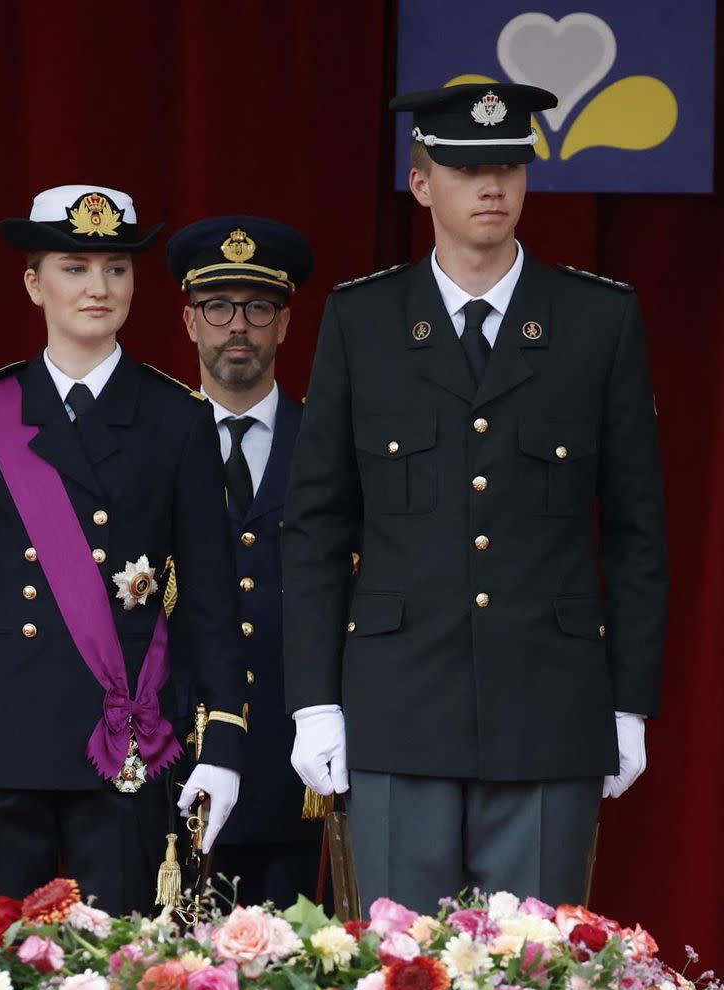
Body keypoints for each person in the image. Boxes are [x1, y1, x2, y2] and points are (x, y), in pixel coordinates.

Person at [282, 84, 668, 912]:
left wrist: (629, 700)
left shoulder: (597, 320)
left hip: (548, 703)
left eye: (508, 166)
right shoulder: (364, 320)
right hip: (396, 703)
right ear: (421, 184)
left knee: (530, 981)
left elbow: (637, 530)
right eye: (464, 169)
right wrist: (315, 699)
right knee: (401, 978)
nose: (491, 186)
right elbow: (316, 524)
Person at [0, 185, 248, 914]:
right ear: (34, 283)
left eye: (116, 269)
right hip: (0, 741)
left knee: (118, 979)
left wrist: (223, 744)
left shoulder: (177, 417)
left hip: (121, 748)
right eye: (74, 266)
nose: (98, 287)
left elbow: (211, 599)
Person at [165, 215, 323, 907]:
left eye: (257, 308)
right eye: (217, 307)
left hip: (297, 756)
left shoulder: (327, 441)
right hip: (173, 750)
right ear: (189, 321)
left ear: (283, 324)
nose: (238, 326)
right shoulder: (149, 439)